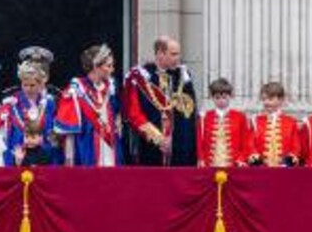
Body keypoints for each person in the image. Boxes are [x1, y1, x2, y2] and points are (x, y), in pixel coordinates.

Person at [123, 36, 197, 166]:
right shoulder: (139, 77)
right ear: (159, 53)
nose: (178, 58)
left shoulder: (183, 76)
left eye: (178, 54)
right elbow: (133, 113)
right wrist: (158, 138)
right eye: (173, 54)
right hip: (149, 147)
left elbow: (189, 115)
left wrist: (178, 142)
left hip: (178, 150)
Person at [54, 44, 123, 167]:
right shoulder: (76, 90)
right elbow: (68, 129)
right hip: (87, 146)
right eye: (109, 66)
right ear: (96, 67)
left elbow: (116, 115)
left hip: (110, 146)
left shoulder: (111, 88)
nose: (112, 70)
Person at [0, 59, 62, 167]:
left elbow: (52, 128)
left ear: (41, 84)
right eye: (25, 85)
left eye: (32, 85)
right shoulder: (13, 103)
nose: (28, 89)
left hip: (44, 152)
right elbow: (8, 131)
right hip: (20, 151)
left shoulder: (49, 103)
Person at [197, 78, 252, 168]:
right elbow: (200, 141)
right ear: (212, 97)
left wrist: (241, 159)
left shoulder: (240, 116)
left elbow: (245, 141)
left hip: (235, 164)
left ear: (230, 96)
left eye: (224, 97)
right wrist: (201, 159)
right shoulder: (204, 117)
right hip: (209, 164)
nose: (221, 101)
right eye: (217, 97)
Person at [248, 82, 304, 166]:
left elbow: (296, 146)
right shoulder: (256, 121)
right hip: (261, 170)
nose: (266, 102)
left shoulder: (290, 122)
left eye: (270, 99)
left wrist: (289, 160)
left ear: (280, 100)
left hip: (284, 171)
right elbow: (250, 144)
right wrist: (255, 157)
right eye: (264, 99)